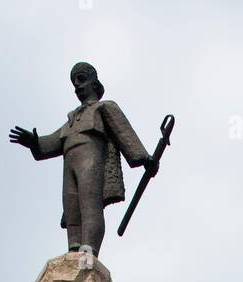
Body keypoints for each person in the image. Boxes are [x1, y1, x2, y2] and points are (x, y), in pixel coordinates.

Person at [9, 62, 159, 256]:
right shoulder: (71, 120)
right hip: (69, 162)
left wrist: (145, 158)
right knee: (72, 207)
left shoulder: (104, 108)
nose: (77, 85)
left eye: (81, 79)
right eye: (74, 82)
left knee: (90, 205)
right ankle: (74, 249)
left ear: (94, 82)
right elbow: (50, 143)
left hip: (91, 158)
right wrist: (34, 142)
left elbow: (124, 133)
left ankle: (88, 250)